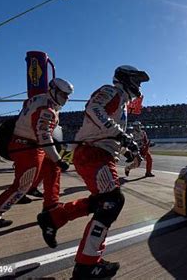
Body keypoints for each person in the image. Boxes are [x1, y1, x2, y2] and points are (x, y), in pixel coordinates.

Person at [36, 65, 149, 279]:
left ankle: (54, 217)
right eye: (138, 81)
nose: (139, 86)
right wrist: (120, 134)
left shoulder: (122, 102)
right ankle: (87, 265)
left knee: (102, 201)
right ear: (127, 79)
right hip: (93, 153)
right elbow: (93, 108)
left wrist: (127, 148)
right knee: (112, 201)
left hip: (98, 153)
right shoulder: (112, 91)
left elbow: (107, 131)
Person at [0, 78, 73, 231]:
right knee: (21, 187)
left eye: (68, 95)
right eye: (63, 94)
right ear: (53, 90)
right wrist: (59, 159)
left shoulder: (36, 99)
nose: (66, 98)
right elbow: (44, 136)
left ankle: (49, 203)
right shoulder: (47, 109)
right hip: (28, 148)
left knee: (50, 167)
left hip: (24, 144)